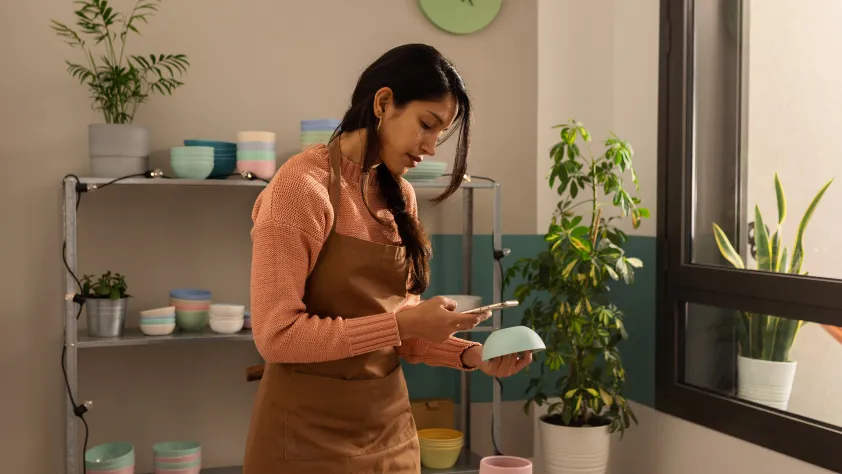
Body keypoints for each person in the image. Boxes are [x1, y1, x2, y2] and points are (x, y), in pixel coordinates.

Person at [242, 43, 532, 474]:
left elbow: (403, 334)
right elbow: (276, 336)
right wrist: (402, 324)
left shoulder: (400, 198)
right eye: (427, 124)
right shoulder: (300, 188)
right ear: (383, 102)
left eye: (440, 134)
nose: (432, 146)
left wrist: (472, 355)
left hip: (389, 432)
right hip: (302, 439)